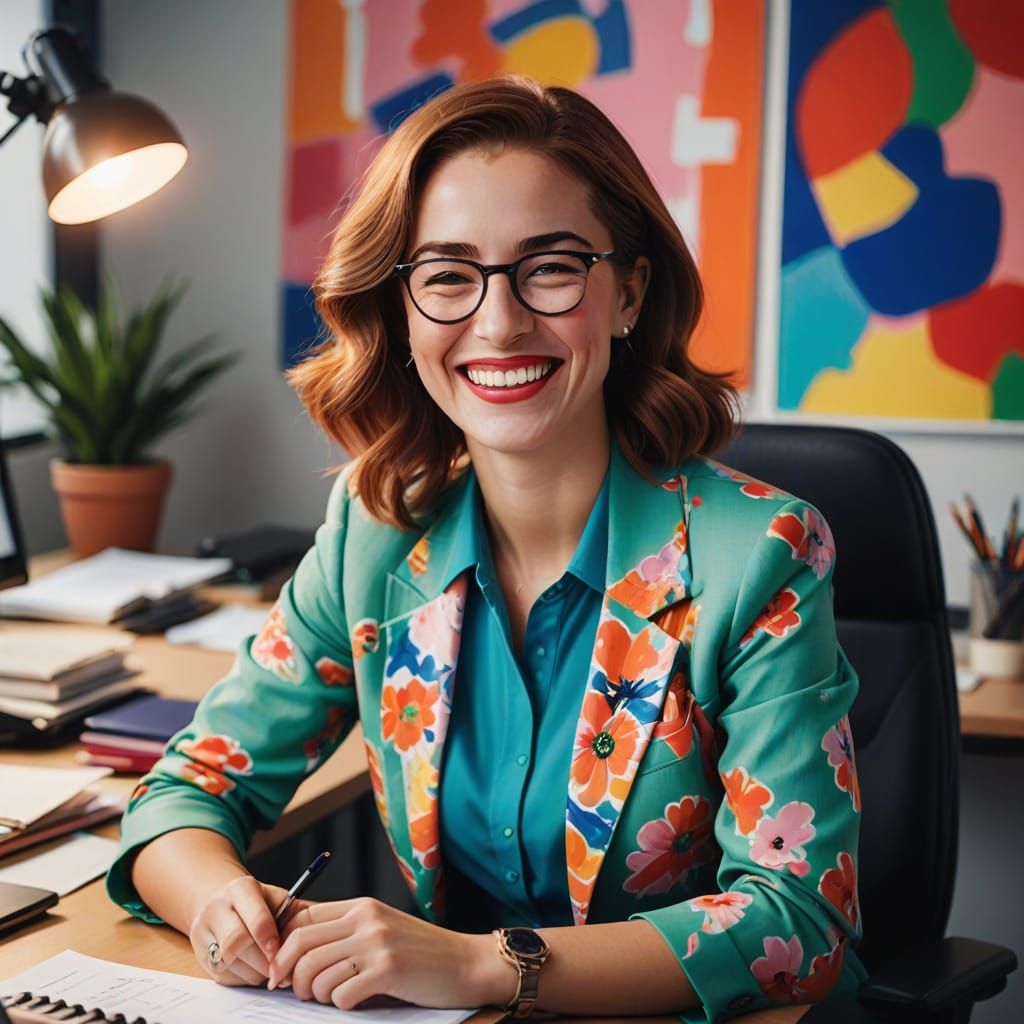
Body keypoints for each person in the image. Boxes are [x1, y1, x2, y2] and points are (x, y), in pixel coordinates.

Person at [108, 75, 865, 1022]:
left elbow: (799, 923)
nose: (499, 322)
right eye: (447, 275)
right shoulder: (374, 533)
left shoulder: (761, 552)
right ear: (405, 308)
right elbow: (187, 787)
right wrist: (222, 907)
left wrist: (484, 965)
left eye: (549, 267)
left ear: (627, 290)